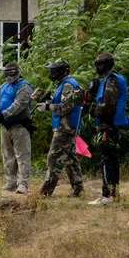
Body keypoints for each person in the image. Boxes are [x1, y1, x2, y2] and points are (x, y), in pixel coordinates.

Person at [37, 59, 85, 198]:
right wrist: (51, 101)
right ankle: (78, 190)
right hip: (68, 127)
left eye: (54, 70)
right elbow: (64, 102)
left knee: (54, 159)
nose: (51, 72)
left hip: (65, 128)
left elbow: (65, 108)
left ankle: (45, 193)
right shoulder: (65, 84)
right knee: (70, 160)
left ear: (61, 71)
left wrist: (47, 107)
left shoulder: (67, 85)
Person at [87, 52, 129, 206]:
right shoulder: (108, 79)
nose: (98, 67)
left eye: (101, 63)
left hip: (108, 124)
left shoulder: (111, 79)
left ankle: (107, 196)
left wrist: (92, 110)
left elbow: (108, 105)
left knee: (106, 159)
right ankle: (113, 194)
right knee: (111, 159)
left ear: (109, 63)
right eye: (97, 64)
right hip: (110, 124)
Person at [0, 62, 34, 194]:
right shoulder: (3, 86)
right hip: (5, 127)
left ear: (18, 72)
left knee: (22, 156)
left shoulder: (24, 86)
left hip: (20, 125)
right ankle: (11, 182)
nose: (9, 76)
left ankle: (23, 184)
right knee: (8, 156)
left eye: (12, 73)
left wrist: (3, 115)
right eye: (6, 73)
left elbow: (19, 104)